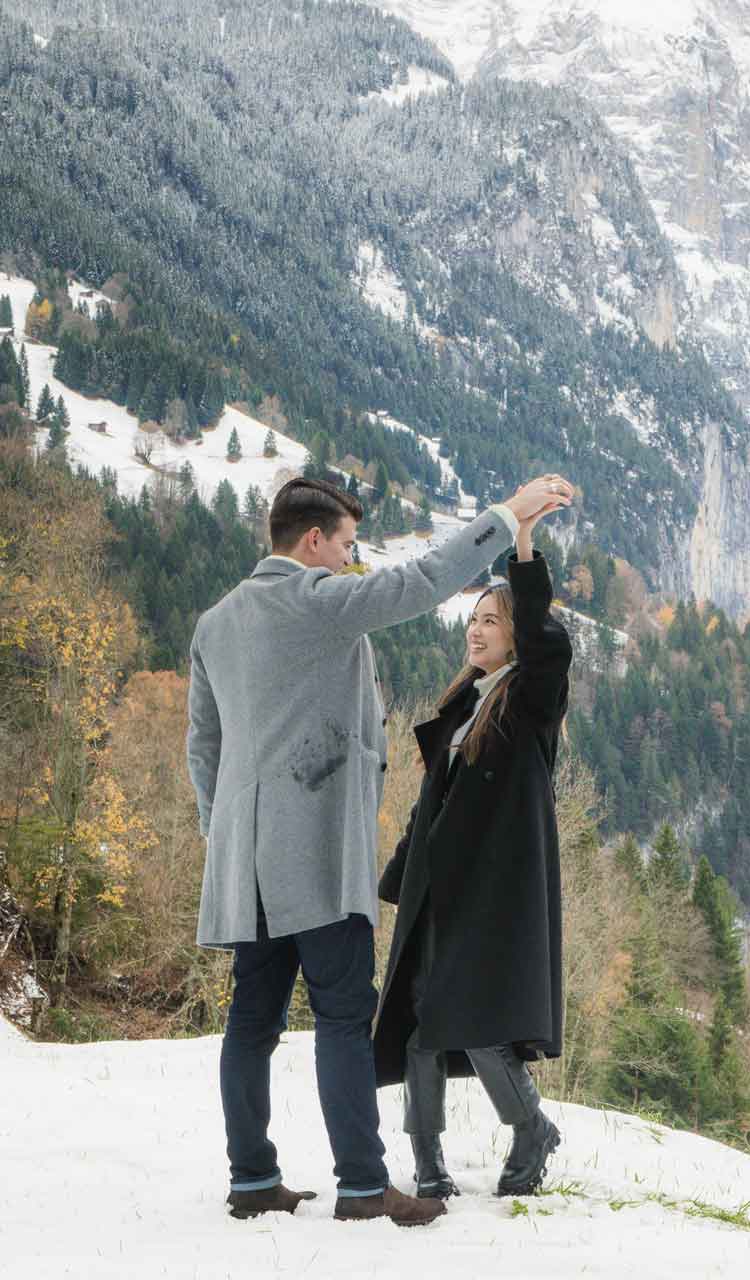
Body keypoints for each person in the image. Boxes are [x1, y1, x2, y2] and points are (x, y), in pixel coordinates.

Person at [187, 472, 574, 1227]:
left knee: (251, 1020)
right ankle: (364, 1187)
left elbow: (204, 746)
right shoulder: (316, 600)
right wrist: (505, 517)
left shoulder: (215, 624)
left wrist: (221, 831)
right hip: (318, 862)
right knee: (341, 1016)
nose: (352, 560)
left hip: (246, 867)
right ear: (313, 542)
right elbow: (422, 581)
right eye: (346, 546)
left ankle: (252, 1178)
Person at [371, 493, 572, 1199]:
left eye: (491, 621)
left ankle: (531, 1127)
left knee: (482, 1022)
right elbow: (434, 807)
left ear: (516, 634)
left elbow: (550, 644)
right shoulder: (464, 704)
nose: (476, 631)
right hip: (439, 890)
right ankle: (427, 1163)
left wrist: (522, 546)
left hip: (492, 894)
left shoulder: (530, 700)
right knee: (423, 1027)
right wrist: (397, 873)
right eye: (473, 620)